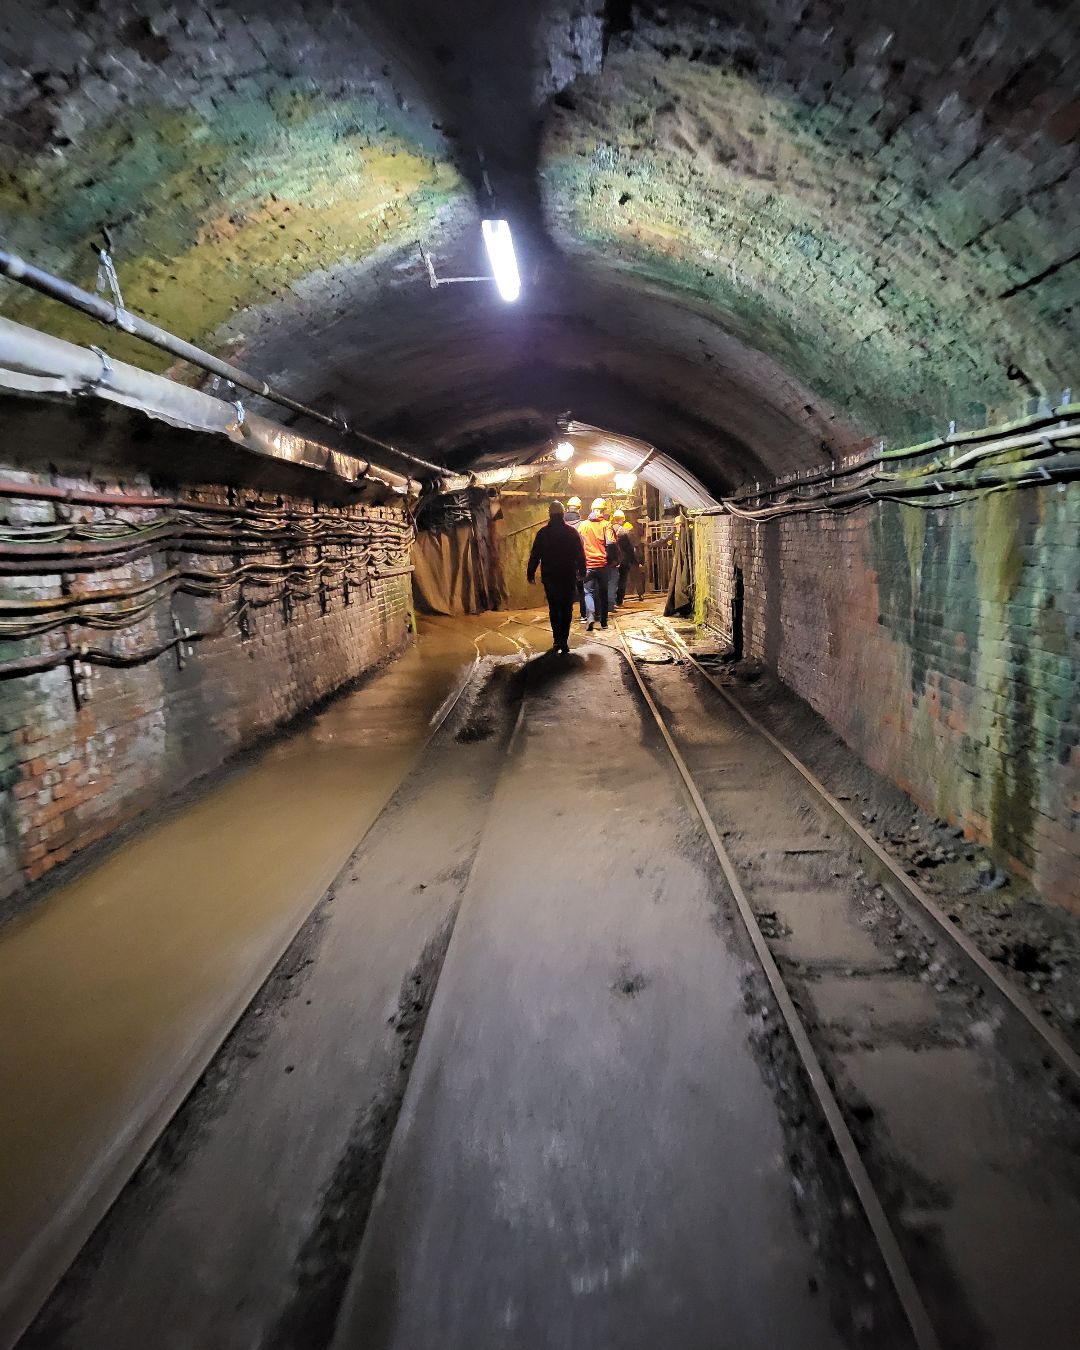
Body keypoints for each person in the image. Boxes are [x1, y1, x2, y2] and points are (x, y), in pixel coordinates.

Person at [526, 500, 587, 654]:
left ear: (550, 515)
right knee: (566, 607)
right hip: (567, 575)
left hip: (550, 576)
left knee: (554, 607)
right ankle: (563, 640)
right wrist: (582, 571)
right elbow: (580, 554)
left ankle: (557, 640)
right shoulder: (571, 533)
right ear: (563, 514)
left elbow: (535, 554)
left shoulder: (543, 533)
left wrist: (531, 572)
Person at [577, 498, 616, 631]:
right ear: (603, 511)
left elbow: (578, 544)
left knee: (588, 592)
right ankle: (604, 622)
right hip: (602, 565)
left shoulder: (583, 525)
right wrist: (611, 559)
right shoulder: (606, 525)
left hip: (588, 564)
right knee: (603, 593)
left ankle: (591, 616)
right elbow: (610, 542)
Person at [564, 496, 586, 621]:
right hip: (577, 561)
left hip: (562, 562)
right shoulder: (583, 525)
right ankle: (583, 615)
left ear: (567, 508)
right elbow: (584, 545)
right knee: (582, 589)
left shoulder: (559, 525)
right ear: (579, 509)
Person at [613, 509, 640, 606]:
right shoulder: (625, 531)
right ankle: (619, 600)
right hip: (624, 560)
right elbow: (630, 547)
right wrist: (634, 560)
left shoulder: (609, 529)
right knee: (622, 580)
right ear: (623, 519)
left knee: (612, 580)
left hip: (612, 560)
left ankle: (611, 601)